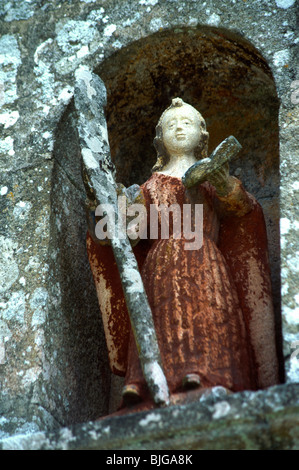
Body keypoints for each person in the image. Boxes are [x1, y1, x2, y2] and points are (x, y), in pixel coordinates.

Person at [86, 98, 280, 409]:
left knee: (206, 314)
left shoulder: (210, 179)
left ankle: (208, 376)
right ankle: (145, 388)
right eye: (171, 124)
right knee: (159, 318)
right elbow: (126, 235)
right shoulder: (149, 187)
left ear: (202, 136)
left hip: (204, 257)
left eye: (187, 123)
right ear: (158, 140)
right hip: (160, 264)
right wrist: (115, 215)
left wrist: (225, 184)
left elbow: (243, 211)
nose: (179, 128)